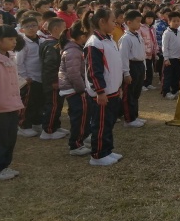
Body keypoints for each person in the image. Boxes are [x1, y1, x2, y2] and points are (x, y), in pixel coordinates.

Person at [82, 8, 124, 166]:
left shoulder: (109, 40)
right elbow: (94, 71)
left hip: (112, 91)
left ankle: (107, 150)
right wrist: (100, 91)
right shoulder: (94, 43)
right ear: (102, 22)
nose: (115, 24)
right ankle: (98, 155)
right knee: (100, 125)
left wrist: (118, 86)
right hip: (102, 93)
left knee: (108, 123)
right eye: (112, 21)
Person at [0, 25, 25, 180]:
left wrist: (17, 103)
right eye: (10, 39)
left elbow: (14, 84)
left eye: (15, 39)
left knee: (9, 139)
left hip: (11, 106)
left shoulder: (10, 58)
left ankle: (4, 165)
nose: (14, 42)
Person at [58, 20, 92, 156]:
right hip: (74, 89)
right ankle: (76, 145)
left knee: (83, 115)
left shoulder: (76, 48)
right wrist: (81, 90)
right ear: (82, 37)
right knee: (80, 117)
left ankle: (83, 138)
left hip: (76, 88)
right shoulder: (73, 51)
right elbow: (74, 74)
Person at [39, 17, 67, 140]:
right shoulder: (52, 45)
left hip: (58, 79)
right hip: (53, 81)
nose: (66, 30)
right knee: (53, 105)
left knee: (58, 104)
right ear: (56, 29)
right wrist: (54, 80)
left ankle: (55, 126)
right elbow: (50, 65)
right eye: (64, 27)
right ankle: (48, 130)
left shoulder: (54, 43)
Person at [118, 10, 146, 128]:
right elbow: (123, 56)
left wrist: (144, 68)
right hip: (131, 66)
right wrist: (126, 73)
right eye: (138, 21)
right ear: (129, 22)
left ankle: (134, 115)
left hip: (139, 65)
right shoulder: (125, 38)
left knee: (136, 93)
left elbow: (142, 52)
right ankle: (129, 119)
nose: (140, 24)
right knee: (129, 94)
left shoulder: (138, 35)